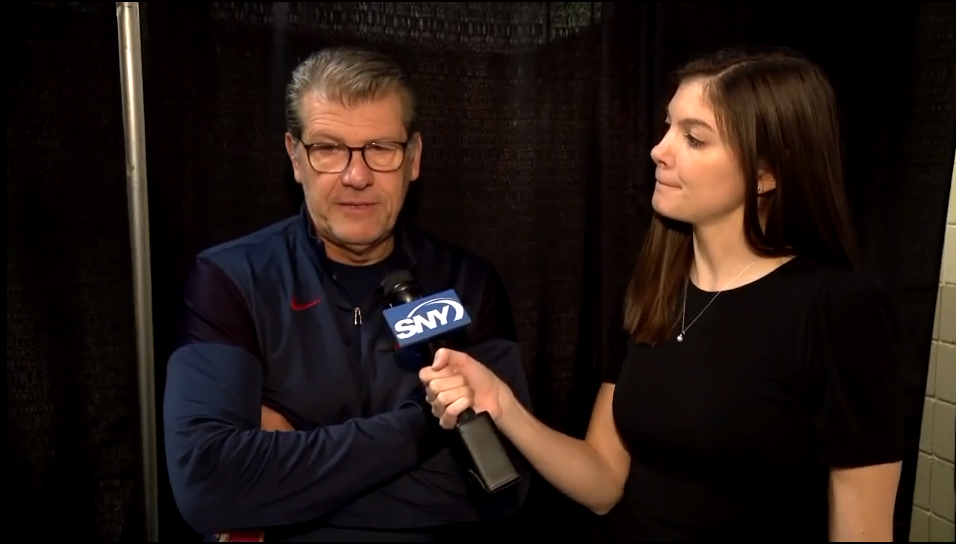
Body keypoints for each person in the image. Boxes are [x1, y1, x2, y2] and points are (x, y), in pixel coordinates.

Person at [420, 47, 905, 541]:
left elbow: (863, 530)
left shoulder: (839, 309)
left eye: (694, 139)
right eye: (668, 126)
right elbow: (603, 482)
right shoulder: (653, 288)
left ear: (766, 174)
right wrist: (502, 405)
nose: (659, 150)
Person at [162, 45, 532, 542]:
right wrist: (425, 423)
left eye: (381, 148)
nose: (357, 176)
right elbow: (208, 485)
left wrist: (282, 478)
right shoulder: (230, 280)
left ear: (414, 158)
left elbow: (502, 483)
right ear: (295, 157)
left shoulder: (467, 283)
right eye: (329, 148)